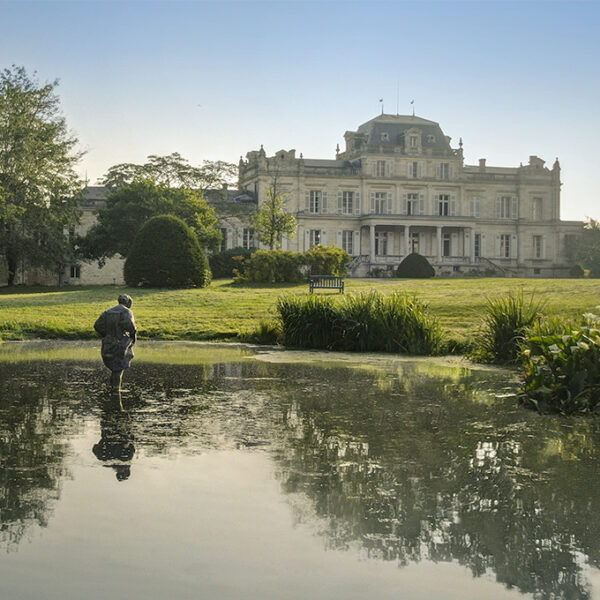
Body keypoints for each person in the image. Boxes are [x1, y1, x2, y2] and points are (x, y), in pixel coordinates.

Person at [94, 294, 137, 390]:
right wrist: (132, 339)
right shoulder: (127, 312)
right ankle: (116, 391)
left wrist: (106, 335)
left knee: (114, 370)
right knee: (118, 371)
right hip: (120, 344)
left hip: (108, 343)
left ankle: (113, 392)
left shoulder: (107, 312)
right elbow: (132, 328)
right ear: (128, 302)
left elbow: (97, 326)